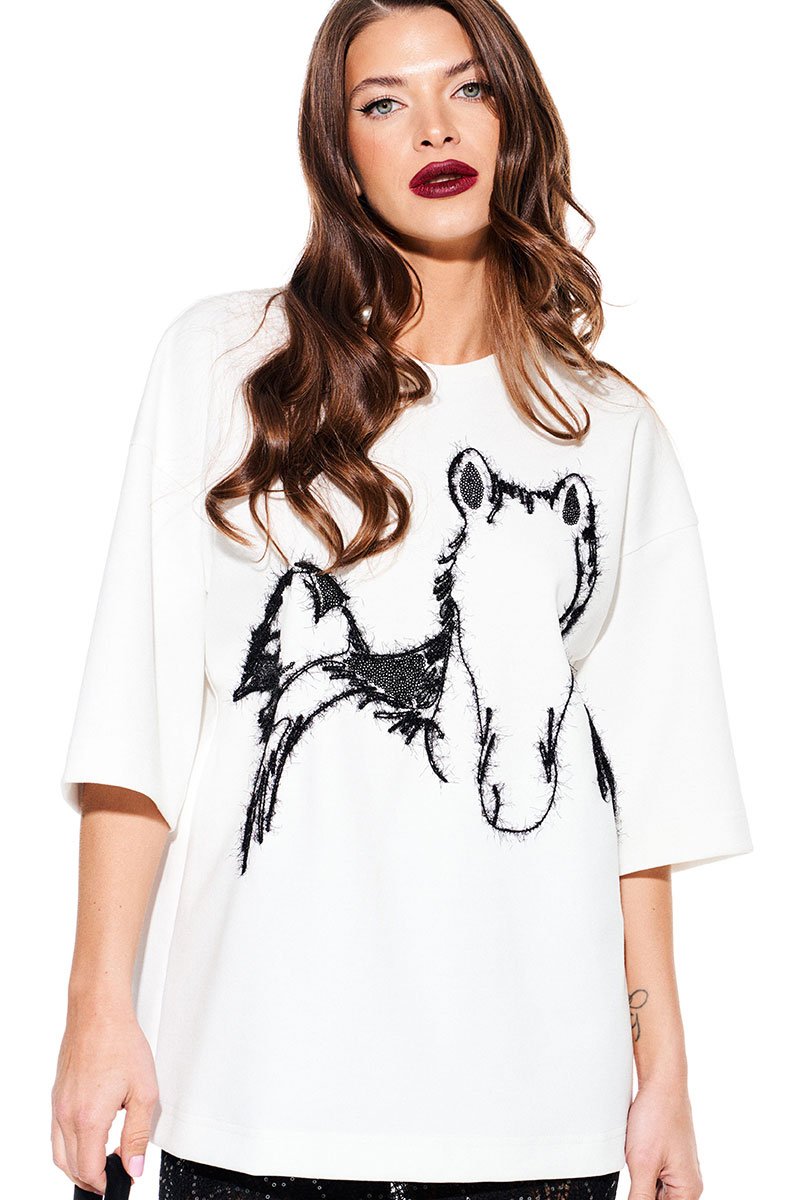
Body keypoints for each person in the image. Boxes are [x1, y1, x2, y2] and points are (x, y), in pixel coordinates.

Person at [51, 2, 754, 1199]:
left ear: (513, 118)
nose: (433, 127)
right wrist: (94, 1009)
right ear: (340, 149)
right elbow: (137, 721)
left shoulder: (606, 428)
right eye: (383, 102)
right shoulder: (230, 367)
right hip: (260, 1107)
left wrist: (665, 1076)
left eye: (466, 88)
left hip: (536, 1128)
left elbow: (637, 788)